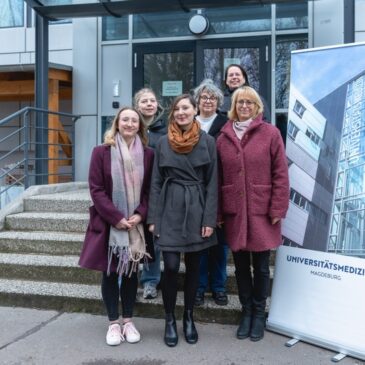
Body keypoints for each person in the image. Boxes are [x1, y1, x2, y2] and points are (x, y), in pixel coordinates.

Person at [216, 86, 289, 342]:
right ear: (233, 106)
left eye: (249, 102)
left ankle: (259, 313)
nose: (244, 106)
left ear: (257, 106)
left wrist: (278, 207)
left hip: (262, 211)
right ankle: (245, 311)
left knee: (260, 267)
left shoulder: (270, 133)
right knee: (240, 267)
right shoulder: (223, 137)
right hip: (234, 211)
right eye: (239, 102)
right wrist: (218, 212)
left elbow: (280, 173)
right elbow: (218, 178)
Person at [79, 107, 154, 347]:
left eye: (134, 120)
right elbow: (96, 189)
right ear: (117, 123)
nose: (130, 124)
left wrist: (140, 214)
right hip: (110, 223)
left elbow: (150, 190)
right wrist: (116, 217)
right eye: (125, 120)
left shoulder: (149, 154)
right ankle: (113, 323)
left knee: (132, 273)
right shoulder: (101, 152)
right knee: (110, 273)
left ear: (140, 126)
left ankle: (129, 321)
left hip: (135, 225)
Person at [147, 94, 218, 347]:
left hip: (197, 207)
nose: (181, 112)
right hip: (169, 207)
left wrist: (209, 219)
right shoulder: (163, 142)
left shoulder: (208, 141)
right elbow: (155, 182)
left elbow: (212, 182)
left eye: (185, 108)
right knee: (172, 266)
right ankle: (169, 319)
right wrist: (153, 218)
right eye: (177, 108)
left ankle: (189, 317)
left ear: (195, 110)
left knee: (195, 268)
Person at [192, 79, 229, 307]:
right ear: (197, 101)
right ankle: (198, 287)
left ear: (218, 102)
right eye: (204, 97)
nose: (207, 101)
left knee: (220, 245)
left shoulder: (226, 124)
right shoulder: (187, 122)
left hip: (219, 188)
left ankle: (219, 287)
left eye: (212, 98)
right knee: (198, 245)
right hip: (193, 191)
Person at [134, 88, 167, 300]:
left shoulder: (166, 129)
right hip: (132, 191)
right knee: (131, 236)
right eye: (144, 101)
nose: (148, 104)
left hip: (157, 191)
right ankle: (128, 278)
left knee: (153, 239)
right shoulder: (129, 126)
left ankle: (150, 281)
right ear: (137, 106)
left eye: (152, 101)